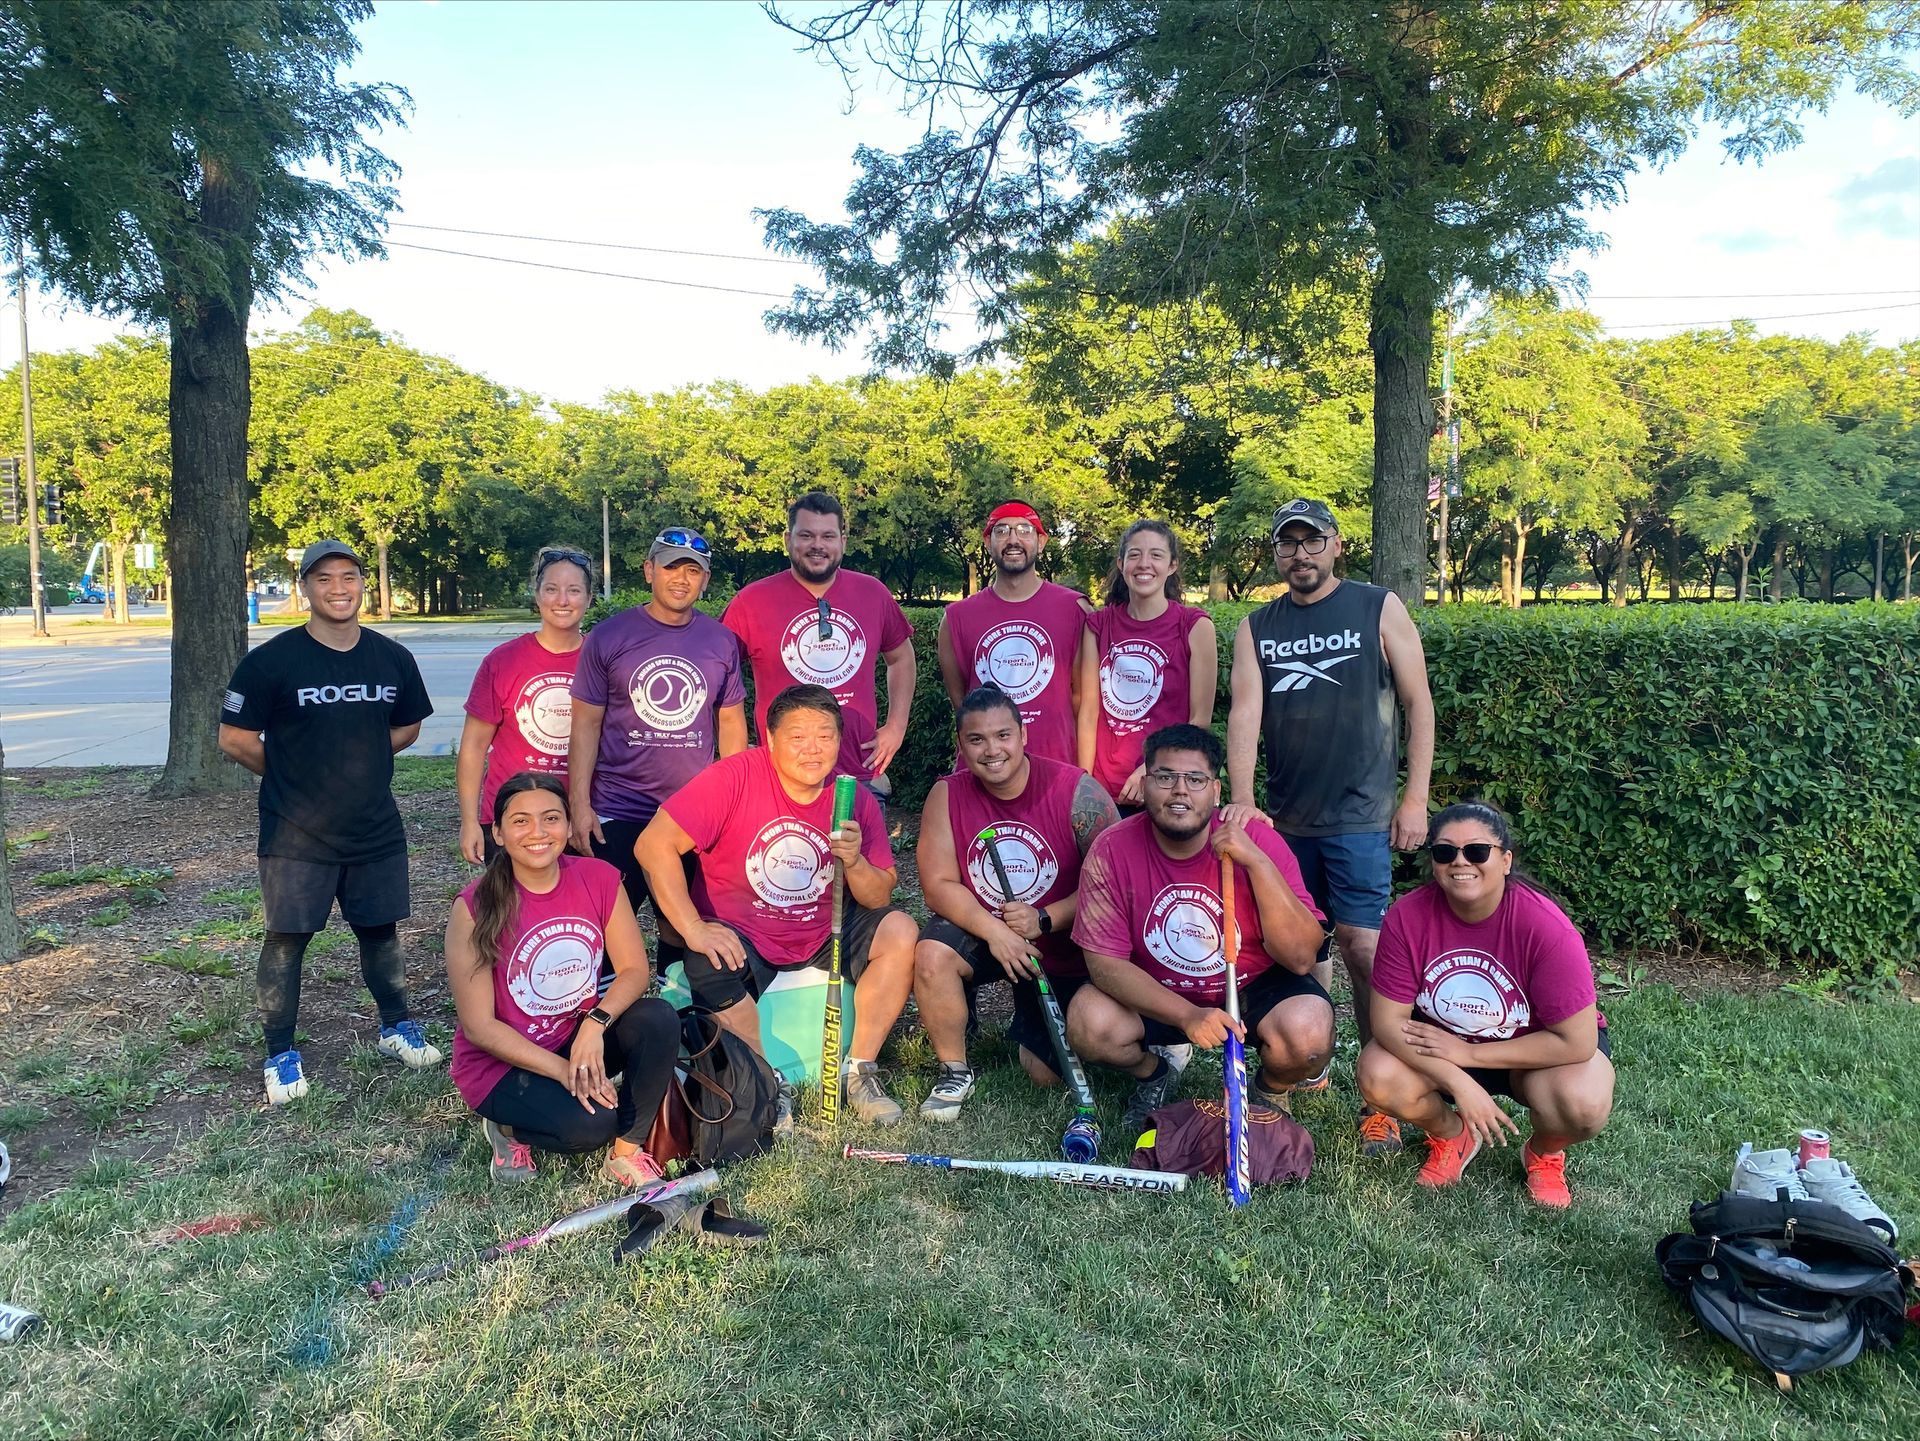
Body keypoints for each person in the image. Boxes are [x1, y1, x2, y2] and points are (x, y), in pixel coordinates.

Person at [1226, 497, 1435, 1158]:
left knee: (1362, 948)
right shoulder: (1257, 626)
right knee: (1299, 948)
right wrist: (1242, 799)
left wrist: (1416, 797)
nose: (1300, 554)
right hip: (1288, 820)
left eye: (1311, 540)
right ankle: (1308, 1064)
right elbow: (1244, 713)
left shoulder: (1378, 606)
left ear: (1336, 544)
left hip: (1360, 815)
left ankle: (1383, 1098)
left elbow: (1418, 702)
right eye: (1288, 544)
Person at [217, 539, 441, 1105]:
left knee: (380, 932)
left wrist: (364, 759)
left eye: (348, 577)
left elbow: (407, 726)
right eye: (323, 579)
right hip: (296, 832)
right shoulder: (271, 661)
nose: (338, 589)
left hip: (374, 828)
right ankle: (280, 1054)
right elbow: (235, 738)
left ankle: (396, 1026)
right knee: (286, 940)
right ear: (306, 589)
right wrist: (294, 774)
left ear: (363, 584)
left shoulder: (391, 657)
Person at [636, 684, 918, 1125]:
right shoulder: (733, 778)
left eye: (825, 736)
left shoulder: (852, 797)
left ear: (839, 740)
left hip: (822, 931)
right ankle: (768, 1083)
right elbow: (652, 845)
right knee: (707, 960)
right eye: (797, 736)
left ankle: (860, 1071)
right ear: (770, 739)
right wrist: (693, 927)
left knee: (900, 930)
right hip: (745, 932)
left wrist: (854, 861)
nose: (812, 749)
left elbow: (879, 895)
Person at [1070, 724, 1330, 1135]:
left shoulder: (1257, 839)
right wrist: (1188, 1015)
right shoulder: (1111, 849)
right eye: (1165, 777)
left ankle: (1268, 1089)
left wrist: (1257, 863)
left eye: (1195, 779)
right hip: (1160, 988)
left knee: (1308, 1034)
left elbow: (1301, 958)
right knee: (1089, 1022)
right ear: (1145, 783)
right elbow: (1104, 966)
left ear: (1215, 790)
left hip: (1250, 983)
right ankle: (1153, 1073)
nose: (1179, 790)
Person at [1356, 802, 1614, 1208]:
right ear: (1434, 863)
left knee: (1584, 1102)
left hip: (1531, 1053)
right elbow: (1388, 1023)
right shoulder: (1407, 917)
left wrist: (1469, 1054)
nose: (1461, 862)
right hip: (1443, 1047)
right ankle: (1452, 1134)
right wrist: (1460, 1080)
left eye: (1477, 851)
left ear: (1505, 860)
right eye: (1446, 852)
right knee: (1378, 1074)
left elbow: (1578, 1041)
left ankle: (1544, 1152)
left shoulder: (1546, 927)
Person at [446, 773, 681, 1187]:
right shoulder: (473, 908)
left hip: (574, 1038)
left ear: (569, 826)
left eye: (551, 818)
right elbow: (480, 1028)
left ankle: (627, 1153)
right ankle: (505, 1128)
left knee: (657, 1018)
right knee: (589, 1127)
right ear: (497, 833)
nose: (538, 832)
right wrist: (564, 1071)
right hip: (501, 1065)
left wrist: (595, 1024)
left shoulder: (599, 878)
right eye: (520, 821)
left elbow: (634, 970)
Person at [912, 685, 1120, 1120]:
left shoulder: (1076, 790)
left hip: (1061, 942)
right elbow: (938, 885)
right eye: (977, 739)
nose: (992, 750)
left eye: (1003, 735)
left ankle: (1146, 1038)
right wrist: (997, 933)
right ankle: (955, 1071)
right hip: (990, 932)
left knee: (1043, 1074)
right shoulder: (947, 794)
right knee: (932, 954)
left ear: (1023, 735)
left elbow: (1114, 884)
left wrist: (1045, 918)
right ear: (961, 745)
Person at [568, 528, 746, 965]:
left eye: (693, 571)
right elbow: (586, 724)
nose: (681, 579)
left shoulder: (721, 641)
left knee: (682, 925)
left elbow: (730, 724)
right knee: (606, 927)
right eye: (671, 567)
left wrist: (735, 809)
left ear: (705, 580)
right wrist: (579, 805)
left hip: (689, 813)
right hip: (617, 809)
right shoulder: (608, 637)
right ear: (649, 571)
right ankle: (606, 1006)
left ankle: (675, 999)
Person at [722, 492, 915, 790]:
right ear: (788, 540)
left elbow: (901, 658)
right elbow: (719, 673)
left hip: (858, 773)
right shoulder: (751, 602)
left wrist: (896, 727)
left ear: (843, 542)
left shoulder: (872, 594)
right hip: (780, 778)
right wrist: (735, 749)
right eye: (806, 535)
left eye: (828, 536)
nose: (817, 545)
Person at [457, 545, 593, 865]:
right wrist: (469, 821)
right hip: (513, 820)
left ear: (589, 599)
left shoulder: (602, 661)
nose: (562, 600)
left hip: (580, 818)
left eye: (574, 590)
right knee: (510, 899)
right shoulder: (503, 661)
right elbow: (473, 747)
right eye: (551, 589)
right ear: (537, 595)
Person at [1077, 520, 1217, 812]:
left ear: (1172, 565)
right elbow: (1089, 712)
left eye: (1156, 555)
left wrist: (1150, 769)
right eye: (1134, 554)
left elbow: (1199, 721)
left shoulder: (1194, 626)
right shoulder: (1098, 625)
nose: (1144, 564)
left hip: (1165, 786)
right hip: (1105, 790)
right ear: (1121, 564)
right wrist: (1084, 784)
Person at [938, 502, 1092, 765]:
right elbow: (962, 703)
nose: (1013, 540)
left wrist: (1083, 775)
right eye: (1001, 531)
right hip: (987, 768)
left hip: (1055, 766)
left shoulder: (1075, 609)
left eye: (1024, 530)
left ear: (1041, 542)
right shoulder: (956, 618)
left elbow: (1083, 702)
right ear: (987, 543)